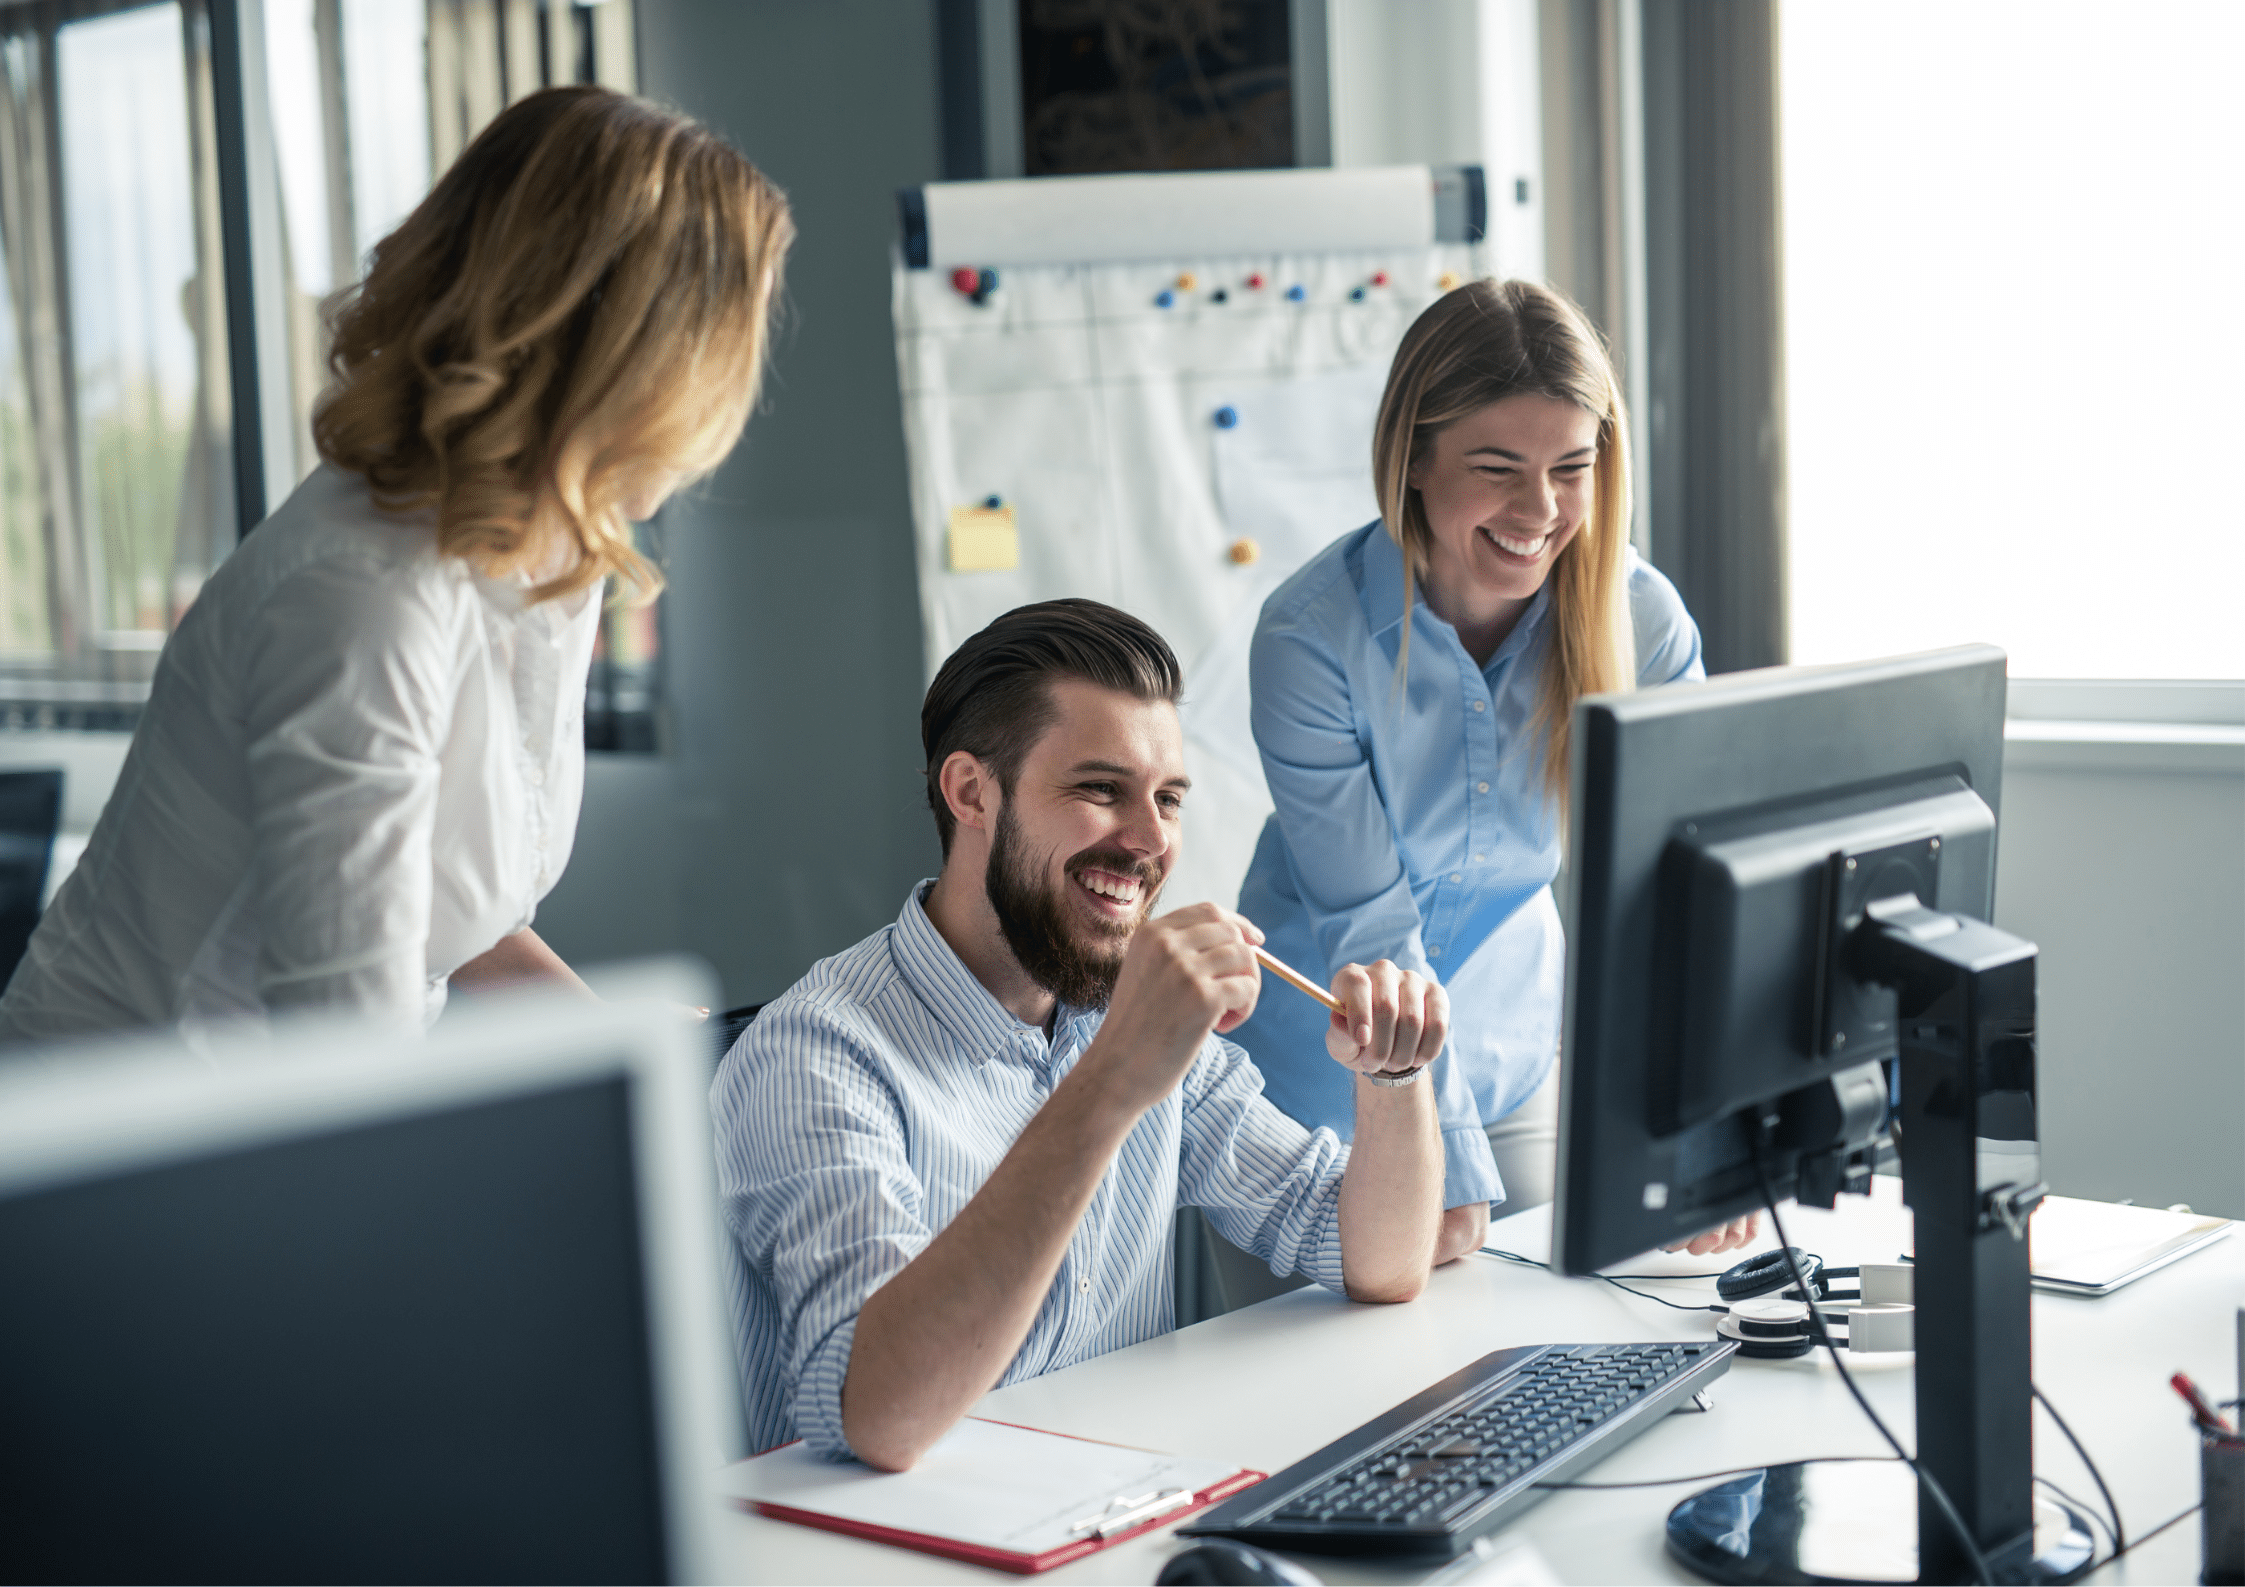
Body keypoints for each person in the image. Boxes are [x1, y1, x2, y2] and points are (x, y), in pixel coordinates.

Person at [0, 87, 790, 1043]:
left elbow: (445, 911)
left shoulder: (547, 552)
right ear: (641, 366)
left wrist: (625, 1041)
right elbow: (349, 1061)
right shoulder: (362, 600)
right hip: (132, 1135)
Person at [713, 599, 1450, 1471]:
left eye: (1167, 798)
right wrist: (1112, 1081)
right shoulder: (814, 1056)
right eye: (1100, 789)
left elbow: (1375, 1258)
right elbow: (879, 1415)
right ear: (971, 791)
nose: (1149, 841)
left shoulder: (1124, 1007)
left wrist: (1393, 1076)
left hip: (1111, 1506)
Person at [1229, 279, 1754, 1260]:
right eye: (1497, 466)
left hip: (1515, 1057)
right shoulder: (1312, 639)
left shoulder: (1638, 622)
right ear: (1414, 458)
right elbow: (1371, 931)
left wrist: (1703, 1109)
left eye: (1571, 467)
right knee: (1334, 1395)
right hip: (1313, 1082)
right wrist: (1443, 1163)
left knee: (1564, 1356)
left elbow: (1682, 893)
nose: (1540, 509)